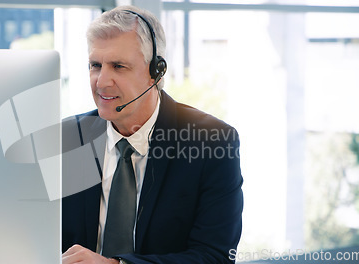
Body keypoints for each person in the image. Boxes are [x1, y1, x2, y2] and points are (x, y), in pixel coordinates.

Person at [61, 5, 243, 264]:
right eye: (95, 65)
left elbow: (215, 257)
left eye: (118, 66)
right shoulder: (68, 140)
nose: (101, 81)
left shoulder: (211, 142)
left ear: (155, 72)